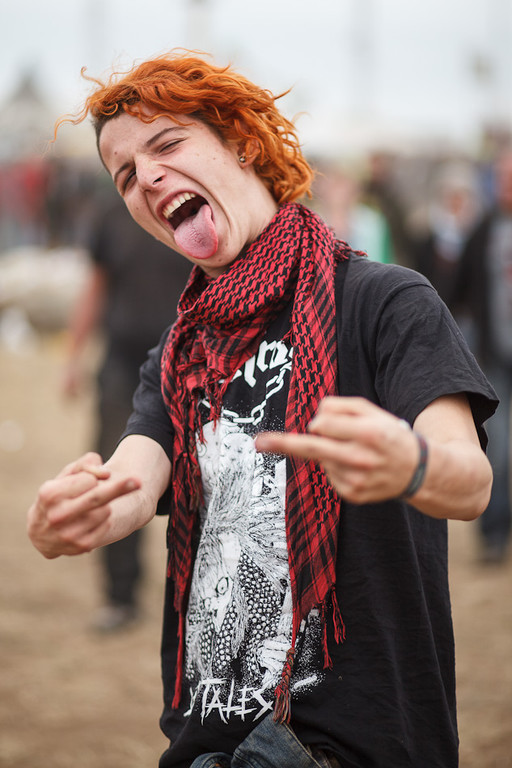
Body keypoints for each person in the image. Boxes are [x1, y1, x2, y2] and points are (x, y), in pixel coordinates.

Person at [27, 51, 497, 768]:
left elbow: (470, 480)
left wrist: (412, 464)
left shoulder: (385, 302)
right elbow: (134, 478)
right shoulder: (179, 351)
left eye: (167, 144)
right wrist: (80, 512)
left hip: (357, 742)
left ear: (242, 142)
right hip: (207, 741)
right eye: (125, 175)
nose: (145, 177)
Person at [62, 191, 190, 630]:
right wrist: (73, 356)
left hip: (194, 365)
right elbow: (96, 285)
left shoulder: (191, 209)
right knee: (114, 477)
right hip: (122, 366)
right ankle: (120, 596)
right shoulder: (110, 215)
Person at [451, 149, 512, 564]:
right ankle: (494, 536)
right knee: (498, 448)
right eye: (501, 177)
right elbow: (455, 291)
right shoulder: (483, 231)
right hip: (494, 357)